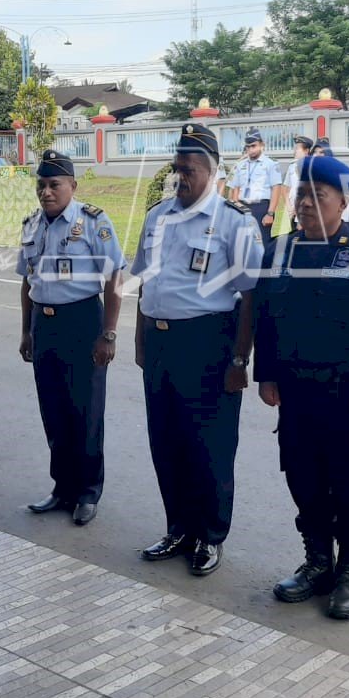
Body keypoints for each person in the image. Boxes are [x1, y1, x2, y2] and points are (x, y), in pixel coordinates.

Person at [253, 155, 349, 620]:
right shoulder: (277, 251)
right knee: (304, 480)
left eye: (320, 196)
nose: (308, 204)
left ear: (343, 201)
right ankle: (318, 562)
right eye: (302, 195)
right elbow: (266, 320)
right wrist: (267, 374)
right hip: (297, 394)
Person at [132, 123, 264, 577]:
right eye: (177, 168)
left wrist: (239, 359)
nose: (180, 177)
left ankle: (210, 534)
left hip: (209, 344)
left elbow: (251, 296)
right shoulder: (157, 216)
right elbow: (144, 282)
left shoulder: (234, 221)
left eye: (188, 170)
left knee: (209, 445)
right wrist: (139, 338)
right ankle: (178, 528)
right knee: (166, 441)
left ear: (211, 170)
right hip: (161, 341)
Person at [18, 150, 125, 526]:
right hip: (45, 325)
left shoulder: (93, 222)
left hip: (83, 322)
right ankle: (62, 488)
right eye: (42, 185)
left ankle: (87, 492)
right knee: (54, 410)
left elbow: (114, 280)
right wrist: (26, 331)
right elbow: (27, 281)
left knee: (86, 411)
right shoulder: (32, 224)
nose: (47, 192)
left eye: (55, 185)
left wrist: (108, 333)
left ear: (72, 186)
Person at [224, 129, 282, 245]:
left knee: (261, 244)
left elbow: (276, 189)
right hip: (242, 207)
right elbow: (234, 189)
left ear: (262, 145)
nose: (250, 150)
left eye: (253, 146)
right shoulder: (240, 165)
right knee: (241, 244)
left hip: (261, 208)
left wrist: (270, 213)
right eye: (248, 147)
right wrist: (236, 210)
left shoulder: (271, 164)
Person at [276, 135, 314, 235]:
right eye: (295, 148)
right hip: (291, 212)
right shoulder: (292, 166)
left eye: (297, 149)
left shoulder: (312, 167)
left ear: (306, 150)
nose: (295, 151)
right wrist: (289, 207)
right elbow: (285, 188)